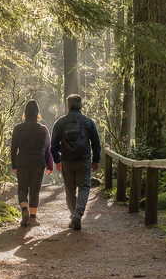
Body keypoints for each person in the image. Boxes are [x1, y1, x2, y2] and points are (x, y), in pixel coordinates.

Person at [50, 93, 101, 230]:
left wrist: (57, 160)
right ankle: (77, 215)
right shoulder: (88, 122)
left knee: (70, 190)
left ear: (67, 106)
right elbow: (96, 143)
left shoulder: (60, 123)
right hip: (84, 160)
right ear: (81, 106)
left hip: (67, 161)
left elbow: (53, 145)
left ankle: (74, 215)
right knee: (84, 187)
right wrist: (96, 160)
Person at [9, 99, 53, 227]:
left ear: (25, 113)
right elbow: (47, 148)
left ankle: (24, 210)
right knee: (34, 191)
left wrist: (14, 165)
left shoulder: (18, 128)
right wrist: (49, 165)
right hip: (38, 163)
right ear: (37, 113)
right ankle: (33, 219)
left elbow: (13, 149)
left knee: (22, 189)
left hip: (22, 161)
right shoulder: (43, 129)